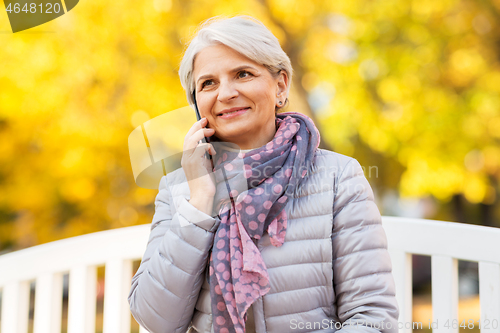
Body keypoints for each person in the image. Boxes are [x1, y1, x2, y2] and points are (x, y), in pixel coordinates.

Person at [128, 15, 399, 333]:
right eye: (208, 83)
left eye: (242, 74)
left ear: (280, 85)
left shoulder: (339, 177)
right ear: (197, 103)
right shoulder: (178, 188)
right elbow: (156, 321)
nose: (225, 93)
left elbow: (371, 318)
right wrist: (199, 200)